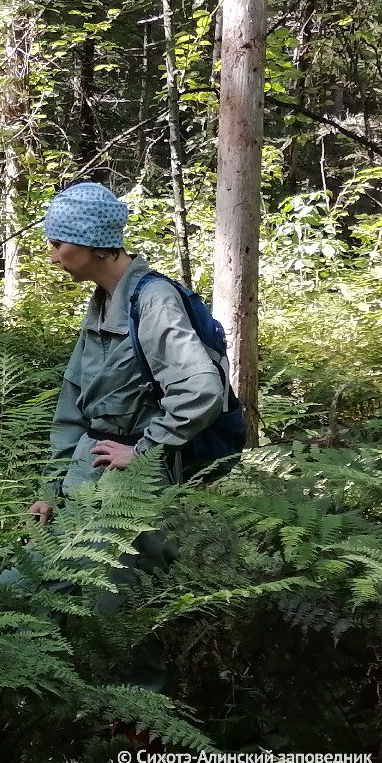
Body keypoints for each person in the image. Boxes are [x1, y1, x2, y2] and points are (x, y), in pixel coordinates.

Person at [33, 181, 228, 517]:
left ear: (91, 242)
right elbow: (73, 406)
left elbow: (200, 389)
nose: (52, 257)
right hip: (82, 482)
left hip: (129, 493)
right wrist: (50, 489)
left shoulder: (154, 301)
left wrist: (144, 451)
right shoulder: (103, 301)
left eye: (57, 244)